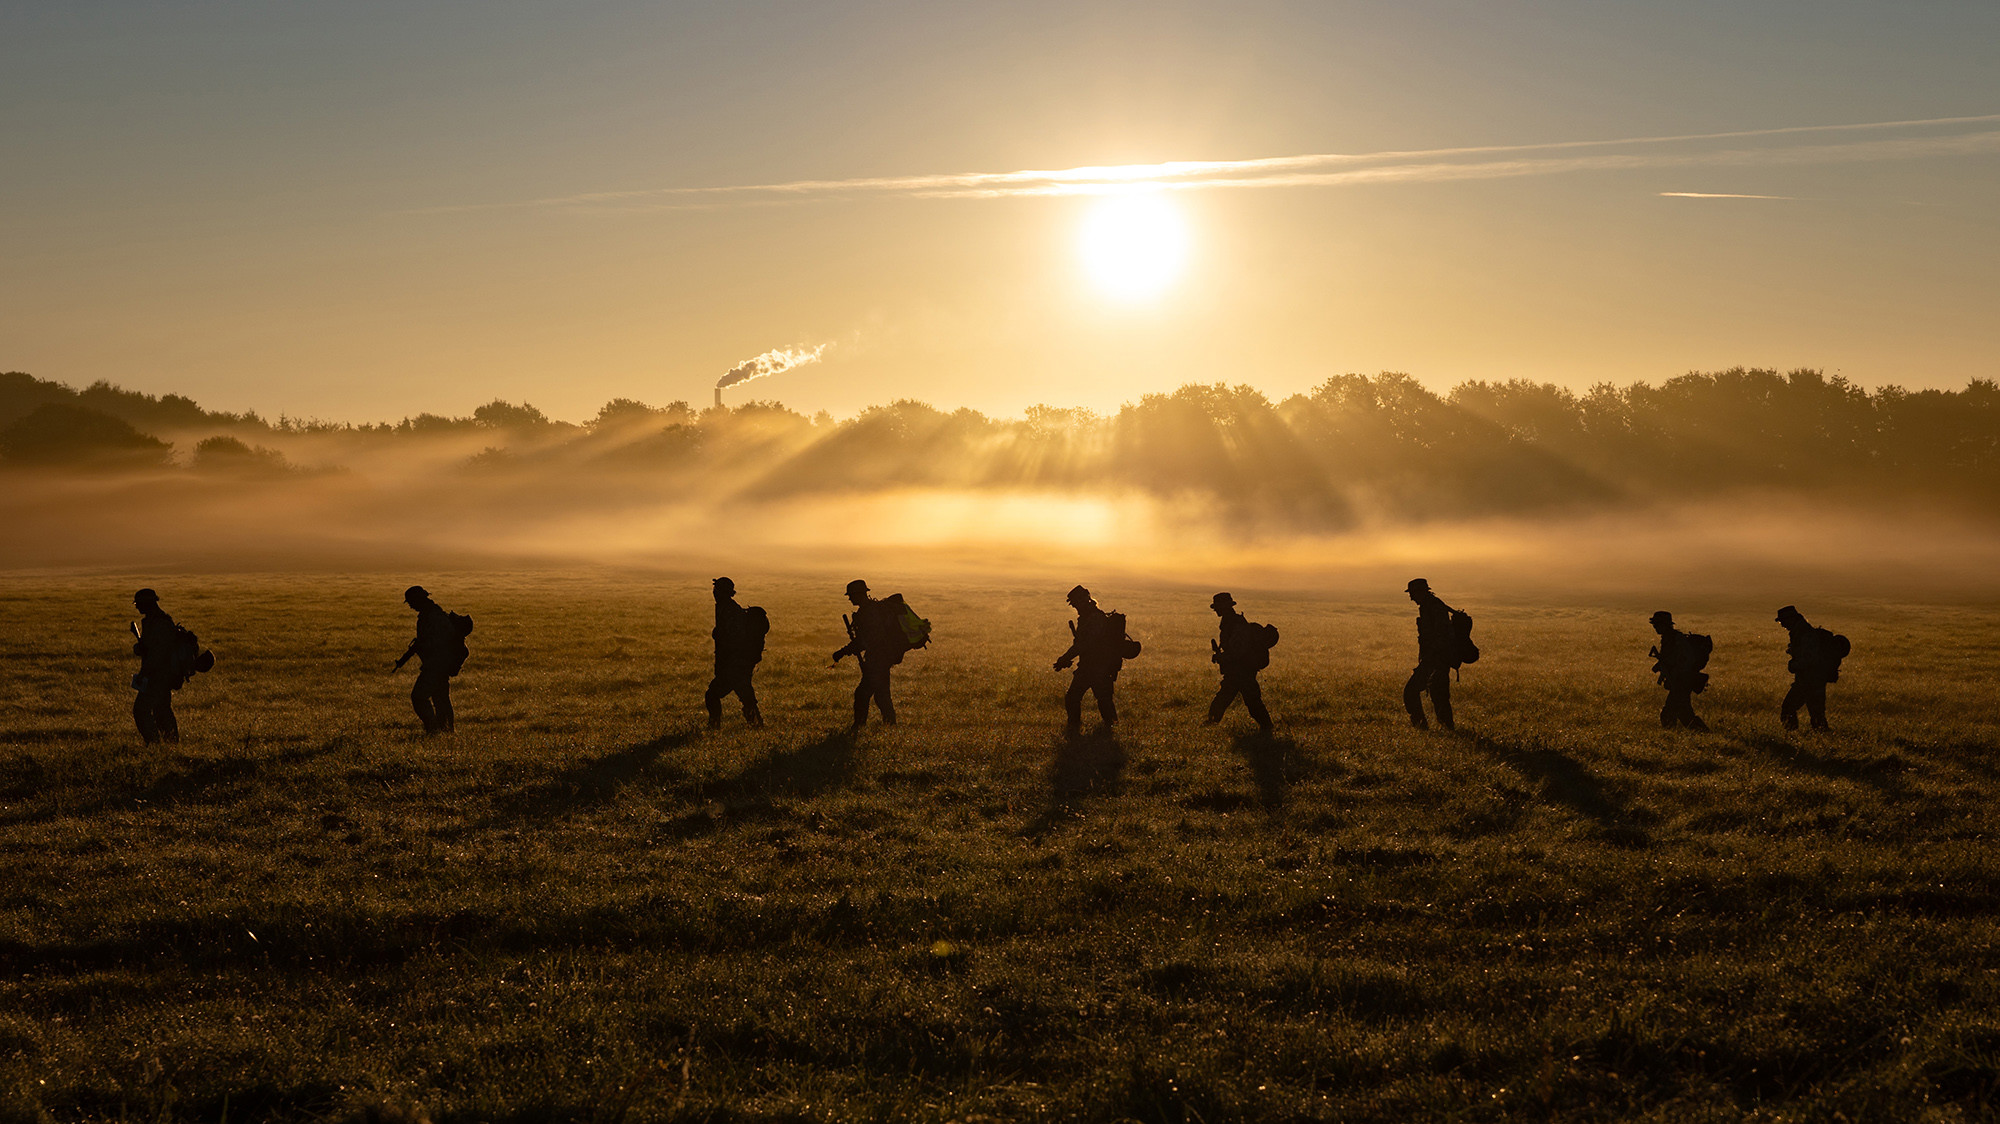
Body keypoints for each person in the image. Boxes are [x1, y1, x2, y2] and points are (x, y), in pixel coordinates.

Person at [1053, 585, 1128, 733]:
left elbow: (1084, 644)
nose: (1075, 607)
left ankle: (1111, 730)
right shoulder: (1087, 617)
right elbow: (1081, 644)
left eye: (1076, 603)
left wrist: (1065, 658)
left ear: (1084, 600)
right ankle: (1075, 728)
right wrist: (1066, 659)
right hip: (1088, 667)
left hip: (1099, 668)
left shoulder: (1095, 619)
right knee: (1075, 698)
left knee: (1102, 700)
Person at [831, 579, 904, 729]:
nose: (850, 598)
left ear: (859, 594)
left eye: (851, 595)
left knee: (862, 694)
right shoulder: (869, 610)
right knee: (882, 696)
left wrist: (843, 652)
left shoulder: (869, 613)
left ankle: (859, 726)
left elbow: (865, 641)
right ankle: (890, 726)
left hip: (878, 660)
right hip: (881, 659)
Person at [393, 585, 465, 734]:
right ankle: (445, 732)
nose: (411, 606)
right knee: (440, 699)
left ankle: (434, 730)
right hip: (438, 664)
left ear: (418, 600)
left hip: (437, 664)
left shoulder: (433, 616)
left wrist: (424, 646)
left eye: (411, 602)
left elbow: (441, 641)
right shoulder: (431, 614)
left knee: (419, 697)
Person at [1204, 592, 1274, 734]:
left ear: (1225, 607)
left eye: (1218, 607)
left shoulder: (1235, 624)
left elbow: (1238, 651)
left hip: (1242, 670)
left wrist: (1222, 658)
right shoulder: (1229, 623)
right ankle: (1210, 725)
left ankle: (1267, 727)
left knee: (1249, 701)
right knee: (1229, 698)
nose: (1216, 610)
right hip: (1238, 670)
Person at [704, 576, 765, 729]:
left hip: (734, 665)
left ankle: (714, 727)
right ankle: (756, 726)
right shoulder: (727, 608)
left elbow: (735, 639)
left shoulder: (730, 611)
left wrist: (720, 636)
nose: (714, 592)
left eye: (717, 589)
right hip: (737, 664)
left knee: (712, 695)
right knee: (746, 697)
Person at [1776, 604, 1841, 731]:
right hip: (1812, 680)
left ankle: (1791, 736)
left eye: (1783, 621)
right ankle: (1822, 739)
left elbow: (1809, 659)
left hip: (1810, 681)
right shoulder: (1801, 632)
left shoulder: (1805, 634)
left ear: (1791, 619)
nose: (1782, 625)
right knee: (1817, 716)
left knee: (1790, 709)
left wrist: (1793, 665)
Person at [1403, 578, 1456, 731]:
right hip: (1437, 658)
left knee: (1411, 691)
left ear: (1420, 592)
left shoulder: (1433, 607)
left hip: (1437, 658)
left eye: (1412, 594)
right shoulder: (1430, 605)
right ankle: (1447, 728)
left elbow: (1441, 636)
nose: (1411, 598)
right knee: (1438, 694)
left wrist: (1430, 658)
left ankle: (1422, 728)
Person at [129, 588, 180, 744]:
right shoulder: (154, 621)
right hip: (158, 675)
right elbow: (150, 648)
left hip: (158, 676)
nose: (137, 607)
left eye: (138, 604)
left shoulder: (160, 623)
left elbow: (158, 654)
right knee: (161, 710)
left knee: (141, 710)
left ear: (147, 603)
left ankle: (154, 744)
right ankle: (170, 745)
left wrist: (145, 673)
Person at [1648, 610, 1710, 731]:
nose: (1655, 627)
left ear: (1665, 624)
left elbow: (1686, 660)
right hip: (1680, 681)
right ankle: (1704, 734)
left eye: (1657, 624)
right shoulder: (1668, 638)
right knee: (1684, 713)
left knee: (1669, 713)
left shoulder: (1676, 639)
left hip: (1682, 681)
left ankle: (1673, 735)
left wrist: (1676, 672)